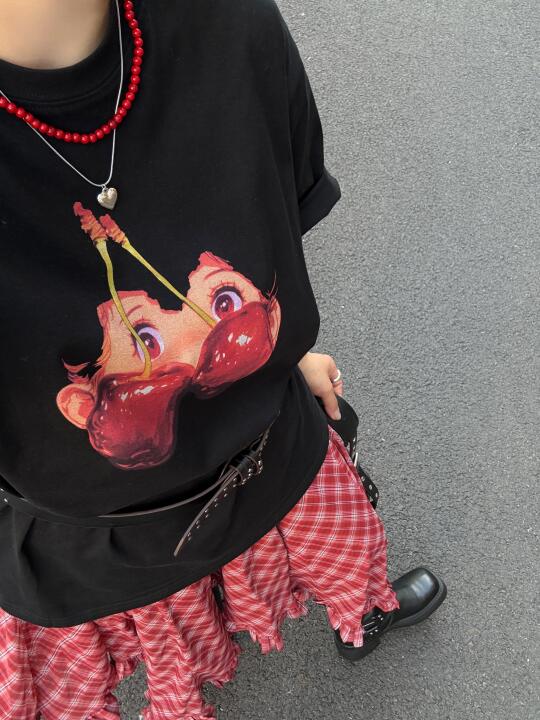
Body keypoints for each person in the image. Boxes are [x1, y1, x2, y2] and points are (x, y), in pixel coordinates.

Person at [0, 1, 447, 718]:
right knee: (168, 671)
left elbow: (267, 235)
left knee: (342, 545)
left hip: (270, 451)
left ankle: (358, 614)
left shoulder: (228, 23)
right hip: (101, 548)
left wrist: (286, 357)